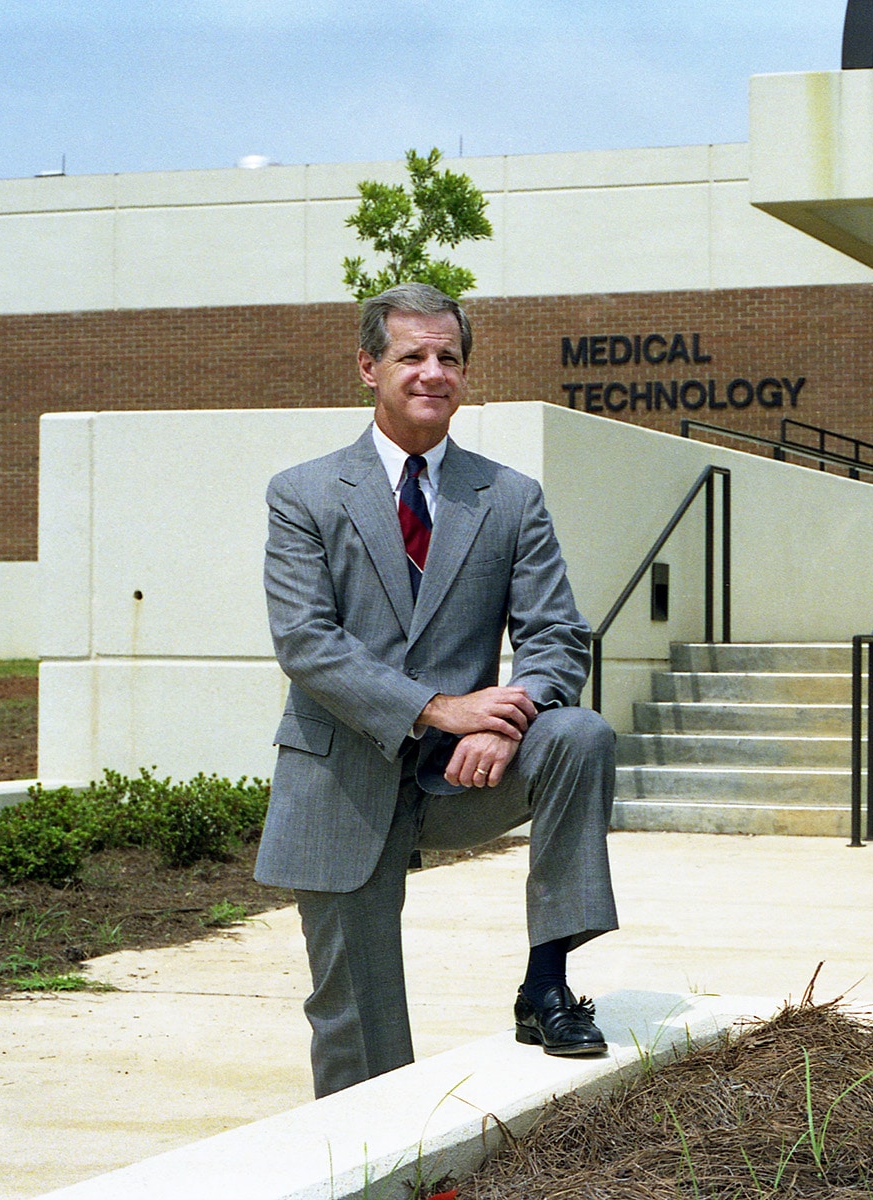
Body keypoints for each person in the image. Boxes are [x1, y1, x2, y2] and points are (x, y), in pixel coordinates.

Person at [256, 281, 618, 1097]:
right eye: (410, 355)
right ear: (367, 367)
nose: (432, 372)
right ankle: (374, 1174)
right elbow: (306, 643)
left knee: (579, 737)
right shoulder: (304, 493)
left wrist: (506, 719)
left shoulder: (509, 496)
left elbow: (557, 635)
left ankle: (547, 985)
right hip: (341, 775)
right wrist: (436, 707)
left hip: (463, 776)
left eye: (447, 357)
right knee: (358, 1019)